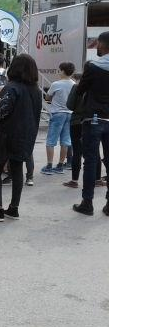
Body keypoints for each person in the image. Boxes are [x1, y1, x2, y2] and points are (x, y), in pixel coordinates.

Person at [0, 54, 41, 223]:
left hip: (6, 135)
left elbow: (2, 112)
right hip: (26, 136)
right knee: (17, 169)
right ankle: (14, 208)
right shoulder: (36, 90)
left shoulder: (12, 87)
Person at [71, 31, 109, 216]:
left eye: (98, 43)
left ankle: (87, 203)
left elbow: (80, 90)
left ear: (102, 44)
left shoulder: (93, 67)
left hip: (93, 119)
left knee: (90, 161)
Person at [42, 62, 76, 175]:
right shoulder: (74, 84)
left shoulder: (56, 84)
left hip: (57, 114)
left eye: (59, 70)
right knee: (65, 141)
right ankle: (60, 165)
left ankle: (49, 166)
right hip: (69, 114)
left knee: (51, 140)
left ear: (62, 71)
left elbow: (47, 98)